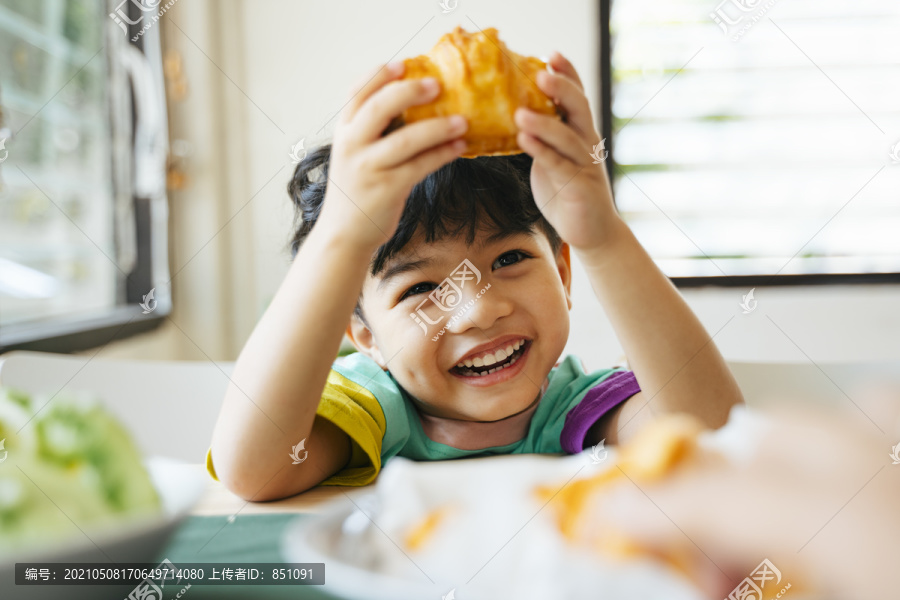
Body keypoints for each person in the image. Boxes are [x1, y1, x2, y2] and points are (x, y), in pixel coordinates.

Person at [205, 51, 744, 502]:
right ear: (364, 334)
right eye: (420, 289)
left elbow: (714, 443)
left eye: (508, 260)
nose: (480, 310)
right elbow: (254, 471)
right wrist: (341, 239)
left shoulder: (577, 410)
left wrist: (603, 238)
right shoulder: (373, 415)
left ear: (562, 272)